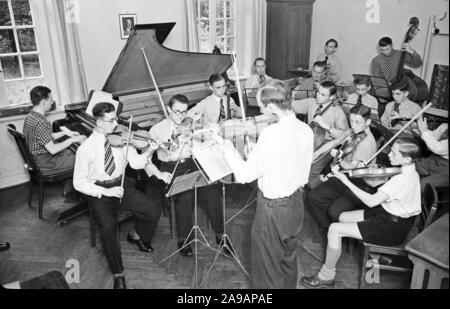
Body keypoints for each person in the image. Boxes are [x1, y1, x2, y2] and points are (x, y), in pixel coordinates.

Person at [217, 80, 314, 289]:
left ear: (271, 106)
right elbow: (288, 162)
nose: (260, 110)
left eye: (262, 106)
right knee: (288, 263)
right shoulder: (305, 129)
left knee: (266, 272)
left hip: (273, 210)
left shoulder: (271, 134)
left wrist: (225, 146)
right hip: (296, 204)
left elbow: (243, 175)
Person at [301, 137, 422, 288]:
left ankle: (326, 275)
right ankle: (345, 249)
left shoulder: (403, 179)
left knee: (334, 229)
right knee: (341, 217)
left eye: (394, 153)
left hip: (392, 227)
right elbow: (374, 182)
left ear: (407, 158)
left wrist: (345, 180)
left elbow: (371, 201)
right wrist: (361, 170)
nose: (389, 155)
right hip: (386, 214)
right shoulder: (405, 169)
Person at [73, 102, 161, 289]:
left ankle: (136, 235)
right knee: (108, 228)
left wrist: (150, 150)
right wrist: (106, 191)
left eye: (117, 119)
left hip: (122, 185)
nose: (116, 123)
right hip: (99, 192)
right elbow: (78, 183)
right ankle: (118, 273)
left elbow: (136, 164)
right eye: (111, 120)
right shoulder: (86, 148)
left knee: (152, 211)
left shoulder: (121, 137)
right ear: (98, 121)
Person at [145, 94, 227, 257]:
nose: (181, 116)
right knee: (186, 195)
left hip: (193, 163)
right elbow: (146, 159)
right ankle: (185, 239)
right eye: (177, 112)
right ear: (168, 109)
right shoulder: (157, 130)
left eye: (184, 112)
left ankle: (220, 234)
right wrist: (159, 173)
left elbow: (203, 143)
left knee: (213, 190)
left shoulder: (191, 124)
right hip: (170, 167)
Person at [307, 105, 378, 238]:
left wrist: (338, 157)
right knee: (314, 197)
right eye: (351, 121)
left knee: (334, 211)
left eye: (358, 122)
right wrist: (316, 154)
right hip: (344, 175)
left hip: (358, 181)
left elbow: (352, 166)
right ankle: (327, 228)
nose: (354, 125)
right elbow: (335, 141)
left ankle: (338, 233)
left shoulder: (367, 142)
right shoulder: (352, 131)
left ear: (368, 122)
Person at [292, 81, 349, 189]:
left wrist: (327, 126)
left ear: (332, 97)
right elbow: (292, 106)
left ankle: (320, 191)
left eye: (323, 95)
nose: (318, 95)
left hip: (327, 144)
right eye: (318, 92)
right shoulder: (312, 102)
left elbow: (344, 136)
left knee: (310, 172)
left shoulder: (337, 111)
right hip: (310, 140)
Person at [23, 86, 86, 174]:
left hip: (37, 158)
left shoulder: (31, 116)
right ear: (43, 102)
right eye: (50, 100)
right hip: (46, 162)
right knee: (85, 157)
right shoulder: (40, 122)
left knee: (75, 152)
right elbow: (53, 149)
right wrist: (72, 139)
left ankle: (70, 183)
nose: (52, 102)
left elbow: (47, 136)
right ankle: (79, 185)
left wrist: (66, 132)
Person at [415, 118, 449, 192]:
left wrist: (424, 132)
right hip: (435, 159)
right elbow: (433, 136)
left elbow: (438, 148)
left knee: (425, 182)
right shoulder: (445, 126)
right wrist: (420, 131)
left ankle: (418, 202)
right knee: (412, 166)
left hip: (446, 169)